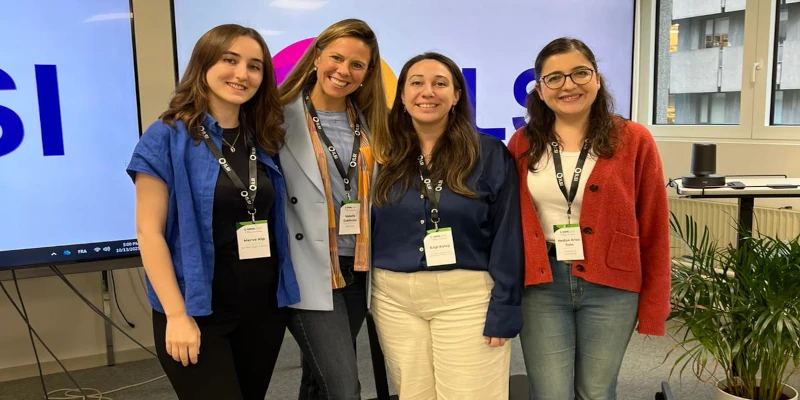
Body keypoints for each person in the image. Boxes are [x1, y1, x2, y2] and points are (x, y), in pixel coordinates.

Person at [126, 24, 300, 400]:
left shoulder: (263, 137)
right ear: (204, 64)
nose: (242, 74)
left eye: (254, 66)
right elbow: (148, 232)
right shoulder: (166, 136)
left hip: (262, 311)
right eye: (230, 60)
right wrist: (176, 315)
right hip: (197, 310)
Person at [507, 37, 671, 400]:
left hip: (612, 286)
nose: (568, 85)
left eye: (580, 73)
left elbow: (655, 228)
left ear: (596, 78)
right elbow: (509, 224)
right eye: (554, 78)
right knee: (550, 393)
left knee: (596, 392)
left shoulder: (634, 139)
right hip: (542, 284)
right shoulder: (522, 143)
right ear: (540, 90)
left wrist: (655, 305)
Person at [369, 52, 524, 399]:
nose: (428, 92)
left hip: (466, 298)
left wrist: (505, 306)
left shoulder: (488, 153)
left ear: (456, 96)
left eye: (440, 83)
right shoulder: (382, 154)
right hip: (394, 299)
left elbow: (508, 234)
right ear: (402, 96)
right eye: (417, 83)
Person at [278, 18, 389, 400]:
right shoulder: (277, 118)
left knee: (318, 380)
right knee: (344, 387)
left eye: (357, 65)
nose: (344, 71)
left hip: (357, 267)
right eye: (336, 58)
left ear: (367, 73)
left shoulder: (373, 123)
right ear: (316, 57)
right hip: (309, 267)